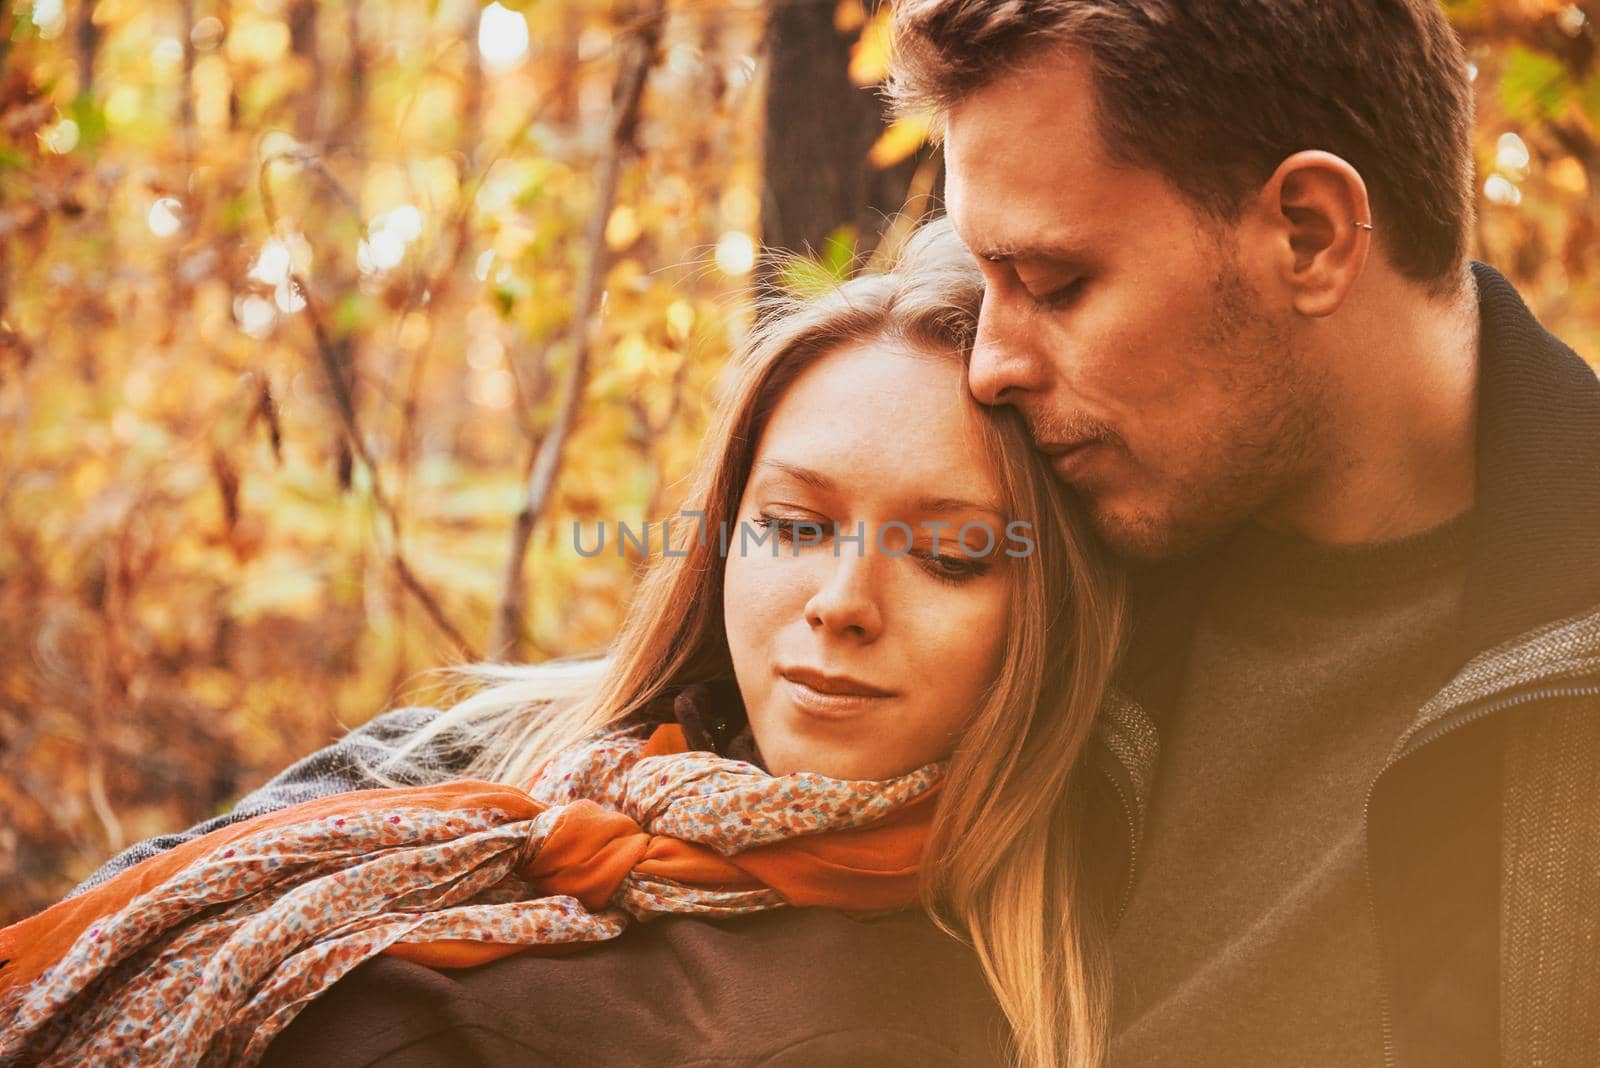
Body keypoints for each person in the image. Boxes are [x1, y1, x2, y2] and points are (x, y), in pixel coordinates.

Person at [3, 221, 1124, 1067]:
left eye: (952, 554)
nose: (841, 601)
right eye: (792, 524)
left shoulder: (1035, 976)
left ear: (1052, 614)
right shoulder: (479, 750)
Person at [888, 0, 1600, 1064]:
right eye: (984, 279)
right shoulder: (1025, 564)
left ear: (1307, 234)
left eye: (1051, 284)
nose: (992, 364)